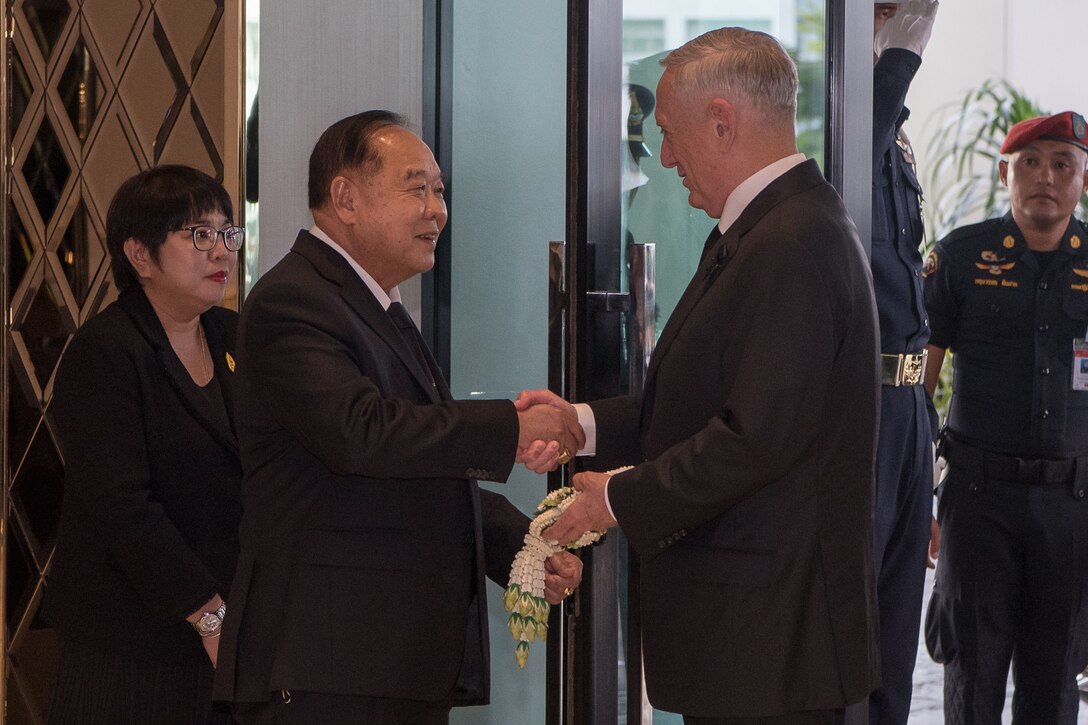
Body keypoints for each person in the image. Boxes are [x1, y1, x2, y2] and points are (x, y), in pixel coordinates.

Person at [521, 27, 880, 724]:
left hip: (773, 644)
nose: (665, 156)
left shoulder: (791, 242)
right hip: (754, 638)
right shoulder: (768, 228)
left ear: (721, 121)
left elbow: (753, 439)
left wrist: (616, 498)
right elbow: (707, 400)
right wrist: (581, 423)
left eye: (670, 132)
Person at [213, 111, 584, 725]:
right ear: (345, 198)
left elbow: (424, 465)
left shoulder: (376, 305)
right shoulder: (293, 301)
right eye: (417, 188)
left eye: (439, 190)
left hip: (386, 658)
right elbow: (364, 434)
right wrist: (512, 428)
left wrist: (521, 549)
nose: (436, 209)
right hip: (328, 660)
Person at [43, 165, 245, 725]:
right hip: (131, 637)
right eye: (197, 235)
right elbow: (123, 507)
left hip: (225, 631)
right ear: (139, 255)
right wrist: (209, 616)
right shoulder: (106, 352)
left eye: (227, 232)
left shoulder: (234, 335)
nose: (220, 250)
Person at [922, 111, 1088, 725]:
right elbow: (919, 383)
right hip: (977, 502)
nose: (1045, 175)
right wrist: (920, 497)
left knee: (1055, 681)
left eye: (1062, 164)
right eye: (1030, 162)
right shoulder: (960, 258)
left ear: (1083, 181)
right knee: (972, 675)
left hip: (1072, 508)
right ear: (1004, 173)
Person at [867, 2, 940, 723]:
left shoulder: (898, 137)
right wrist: (904, 44)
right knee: (855, 639)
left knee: (896, 639)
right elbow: (854, 155)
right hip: (859, 407)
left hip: (906, 409)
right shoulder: (838, 119)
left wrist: (929, 425)